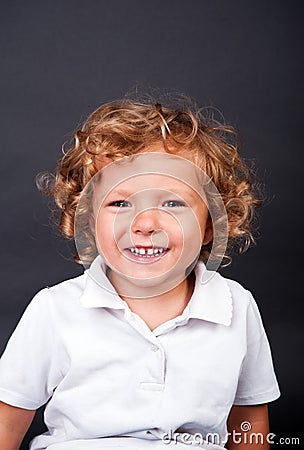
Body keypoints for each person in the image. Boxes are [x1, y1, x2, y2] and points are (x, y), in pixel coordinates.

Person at [0, 96, 280, 450]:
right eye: (120, 203)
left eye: (172, 203)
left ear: (212, 224)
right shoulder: (55, 310)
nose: (145, 224)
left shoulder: (235, 307)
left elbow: (249, 425)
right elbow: (6, 422)